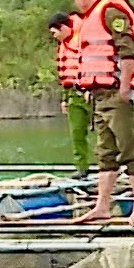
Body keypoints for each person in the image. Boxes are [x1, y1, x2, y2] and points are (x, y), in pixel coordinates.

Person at [67, 0, 134, 225]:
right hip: (99, 96)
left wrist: (125, 88)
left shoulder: (110, 12)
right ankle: (102, 206)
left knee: (129, 148)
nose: (75, 3)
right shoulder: (89, 19)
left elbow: (128, 52)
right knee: (105, 152)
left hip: (116, 92)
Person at [48, 12, 92, 176]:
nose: (54, 37)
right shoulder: (63, 46)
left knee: (106, 131)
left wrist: (90, 88)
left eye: (54, 32)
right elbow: (64, 76)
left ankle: (112, 167)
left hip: (91, 92)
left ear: (62, 28)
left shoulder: (84, 39)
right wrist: (65, 99)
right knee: (77, 134)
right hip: (73, 94)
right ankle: (81, 168)